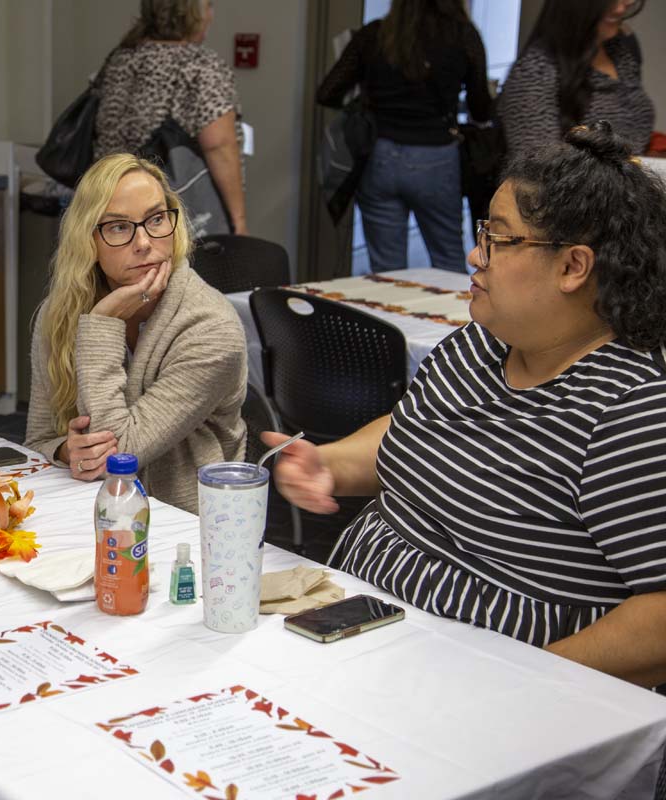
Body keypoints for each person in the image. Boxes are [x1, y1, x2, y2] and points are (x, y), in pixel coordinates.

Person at [264, 123, 666, 688]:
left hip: (490, 686)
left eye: (499, 240)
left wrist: (532, 680)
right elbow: (419, 435)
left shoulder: (629, 411)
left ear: (574, 267)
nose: (475, 255)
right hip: (365, 628)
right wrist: (328, 464)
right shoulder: (482, 343)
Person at [25, 153, 247, 515]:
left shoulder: (212, 328)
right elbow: (37, 440)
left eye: (156, 219)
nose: (144, 242)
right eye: (118, 227)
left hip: (185, 526)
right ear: (88, 240)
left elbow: (121, 456)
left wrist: (102, 324)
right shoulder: (59, 313)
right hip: (87, 510)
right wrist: (69, 450)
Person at [317, 0, 491, 273]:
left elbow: (327, 92)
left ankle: (387, 316)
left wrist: (369, 101)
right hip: (436, 156)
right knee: (447, 261)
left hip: (380, 155)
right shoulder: (462, 36)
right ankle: (452, 317)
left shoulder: (376, 34)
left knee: (387, 271)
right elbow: (481, 107)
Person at [93, 0, 247, 236]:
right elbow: (219, 145)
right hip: (170, 217)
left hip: (111, 206)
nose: (211, 15)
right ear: (191, 13)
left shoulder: (120, 58)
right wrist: (239, 222)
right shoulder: (200, 66)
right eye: (208, 5)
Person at [498, 0, 655, 161]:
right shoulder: (534, 71)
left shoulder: (619, 50)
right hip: (578, 185)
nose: (625, 5)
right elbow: (537, 170)